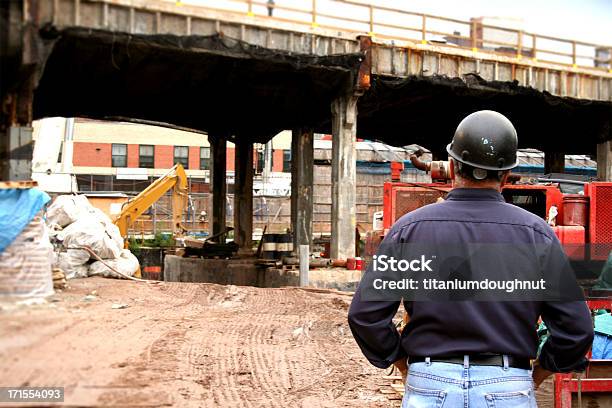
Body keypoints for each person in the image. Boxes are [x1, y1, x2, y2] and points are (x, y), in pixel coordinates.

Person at [348, 110, 594, 407]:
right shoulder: (536, 234)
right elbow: (576, 330)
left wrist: (400, 360)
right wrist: (541, 371)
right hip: (507, 385)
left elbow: (365, 316)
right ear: (506, 174)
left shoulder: (409, 230)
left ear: (452, 166)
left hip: (430, 382)